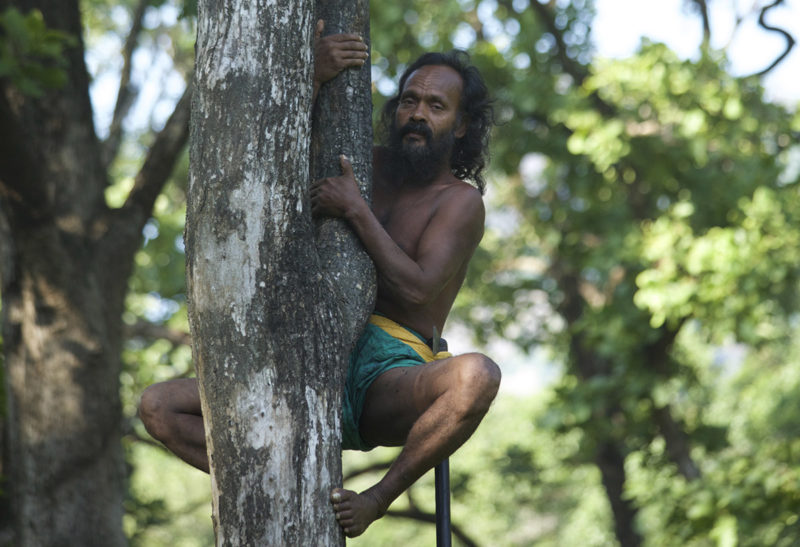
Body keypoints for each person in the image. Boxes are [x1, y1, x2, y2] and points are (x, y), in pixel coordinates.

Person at [139, 21, 500, 539]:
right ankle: (288, 491)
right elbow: (269, 159)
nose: (417, 114)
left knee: (477, 376)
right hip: (301, 357)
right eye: (408, 100)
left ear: (462, 126)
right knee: (158, 406)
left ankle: (374, 499)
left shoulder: (460, 201)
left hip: (386, 377)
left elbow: (417, 288)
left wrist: (357, 210)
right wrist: (312, 76)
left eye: (436, 106)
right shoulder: (364, 162)